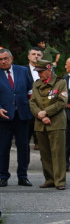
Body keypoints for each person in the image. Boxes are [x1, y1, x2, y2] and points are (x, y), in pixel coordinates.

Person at [29, 59, 68, 190]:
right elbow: (32, 102)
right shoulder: (36, 84)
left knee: (58, 153)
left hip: (56, 123)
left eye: (41, 72)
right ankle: (49, 179)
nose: (39, 74)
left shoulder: (60, 83)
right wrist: (40, 114)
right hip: (40, 124)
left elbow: (62, 102)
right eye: (37, 72)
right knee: (45, 154)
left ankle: (60, 181)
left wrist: (45, 112)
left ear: (49, 69)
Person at [0, 48, 34, 187]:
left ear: (11, 58)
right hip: (4, 118)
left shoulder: (23, 71)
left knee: (23, 148)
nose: (3, 61)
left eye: (5, 58)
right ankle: (3, 176)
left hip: (22, 116)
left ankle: (23, 176)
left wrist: (31, 107)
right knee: (3, 148)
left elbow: (30, 90)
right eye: (0, 60)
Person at [25, 47, 43, 150]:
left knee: (41, 141)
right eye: (33, 54)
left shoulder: (47, 70)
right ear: (28, 56)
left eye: (38, 54)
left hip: (41, 108)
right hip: (26, 106)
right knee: (25, 138)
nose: (36, 56)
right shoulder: (23, 70)